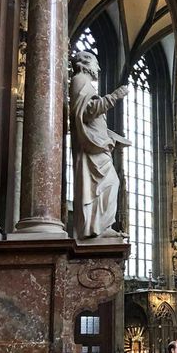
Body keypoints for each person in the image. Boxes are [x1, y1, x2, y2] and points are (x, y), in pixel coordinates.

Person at [70, 51, 131, 239]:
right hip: (91, 150)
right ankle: (95, 228)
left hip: (98, 147)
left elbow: (95, 124)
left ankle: (101, 226)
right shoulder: (79, 79)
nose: (99, 68)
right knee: (110, 183)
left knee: (111, 183)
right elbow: (87, 112)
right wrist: (115, 96)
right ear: (86, 63)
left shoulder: (85, 84)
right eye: (96, 63)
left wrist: (115, 138)